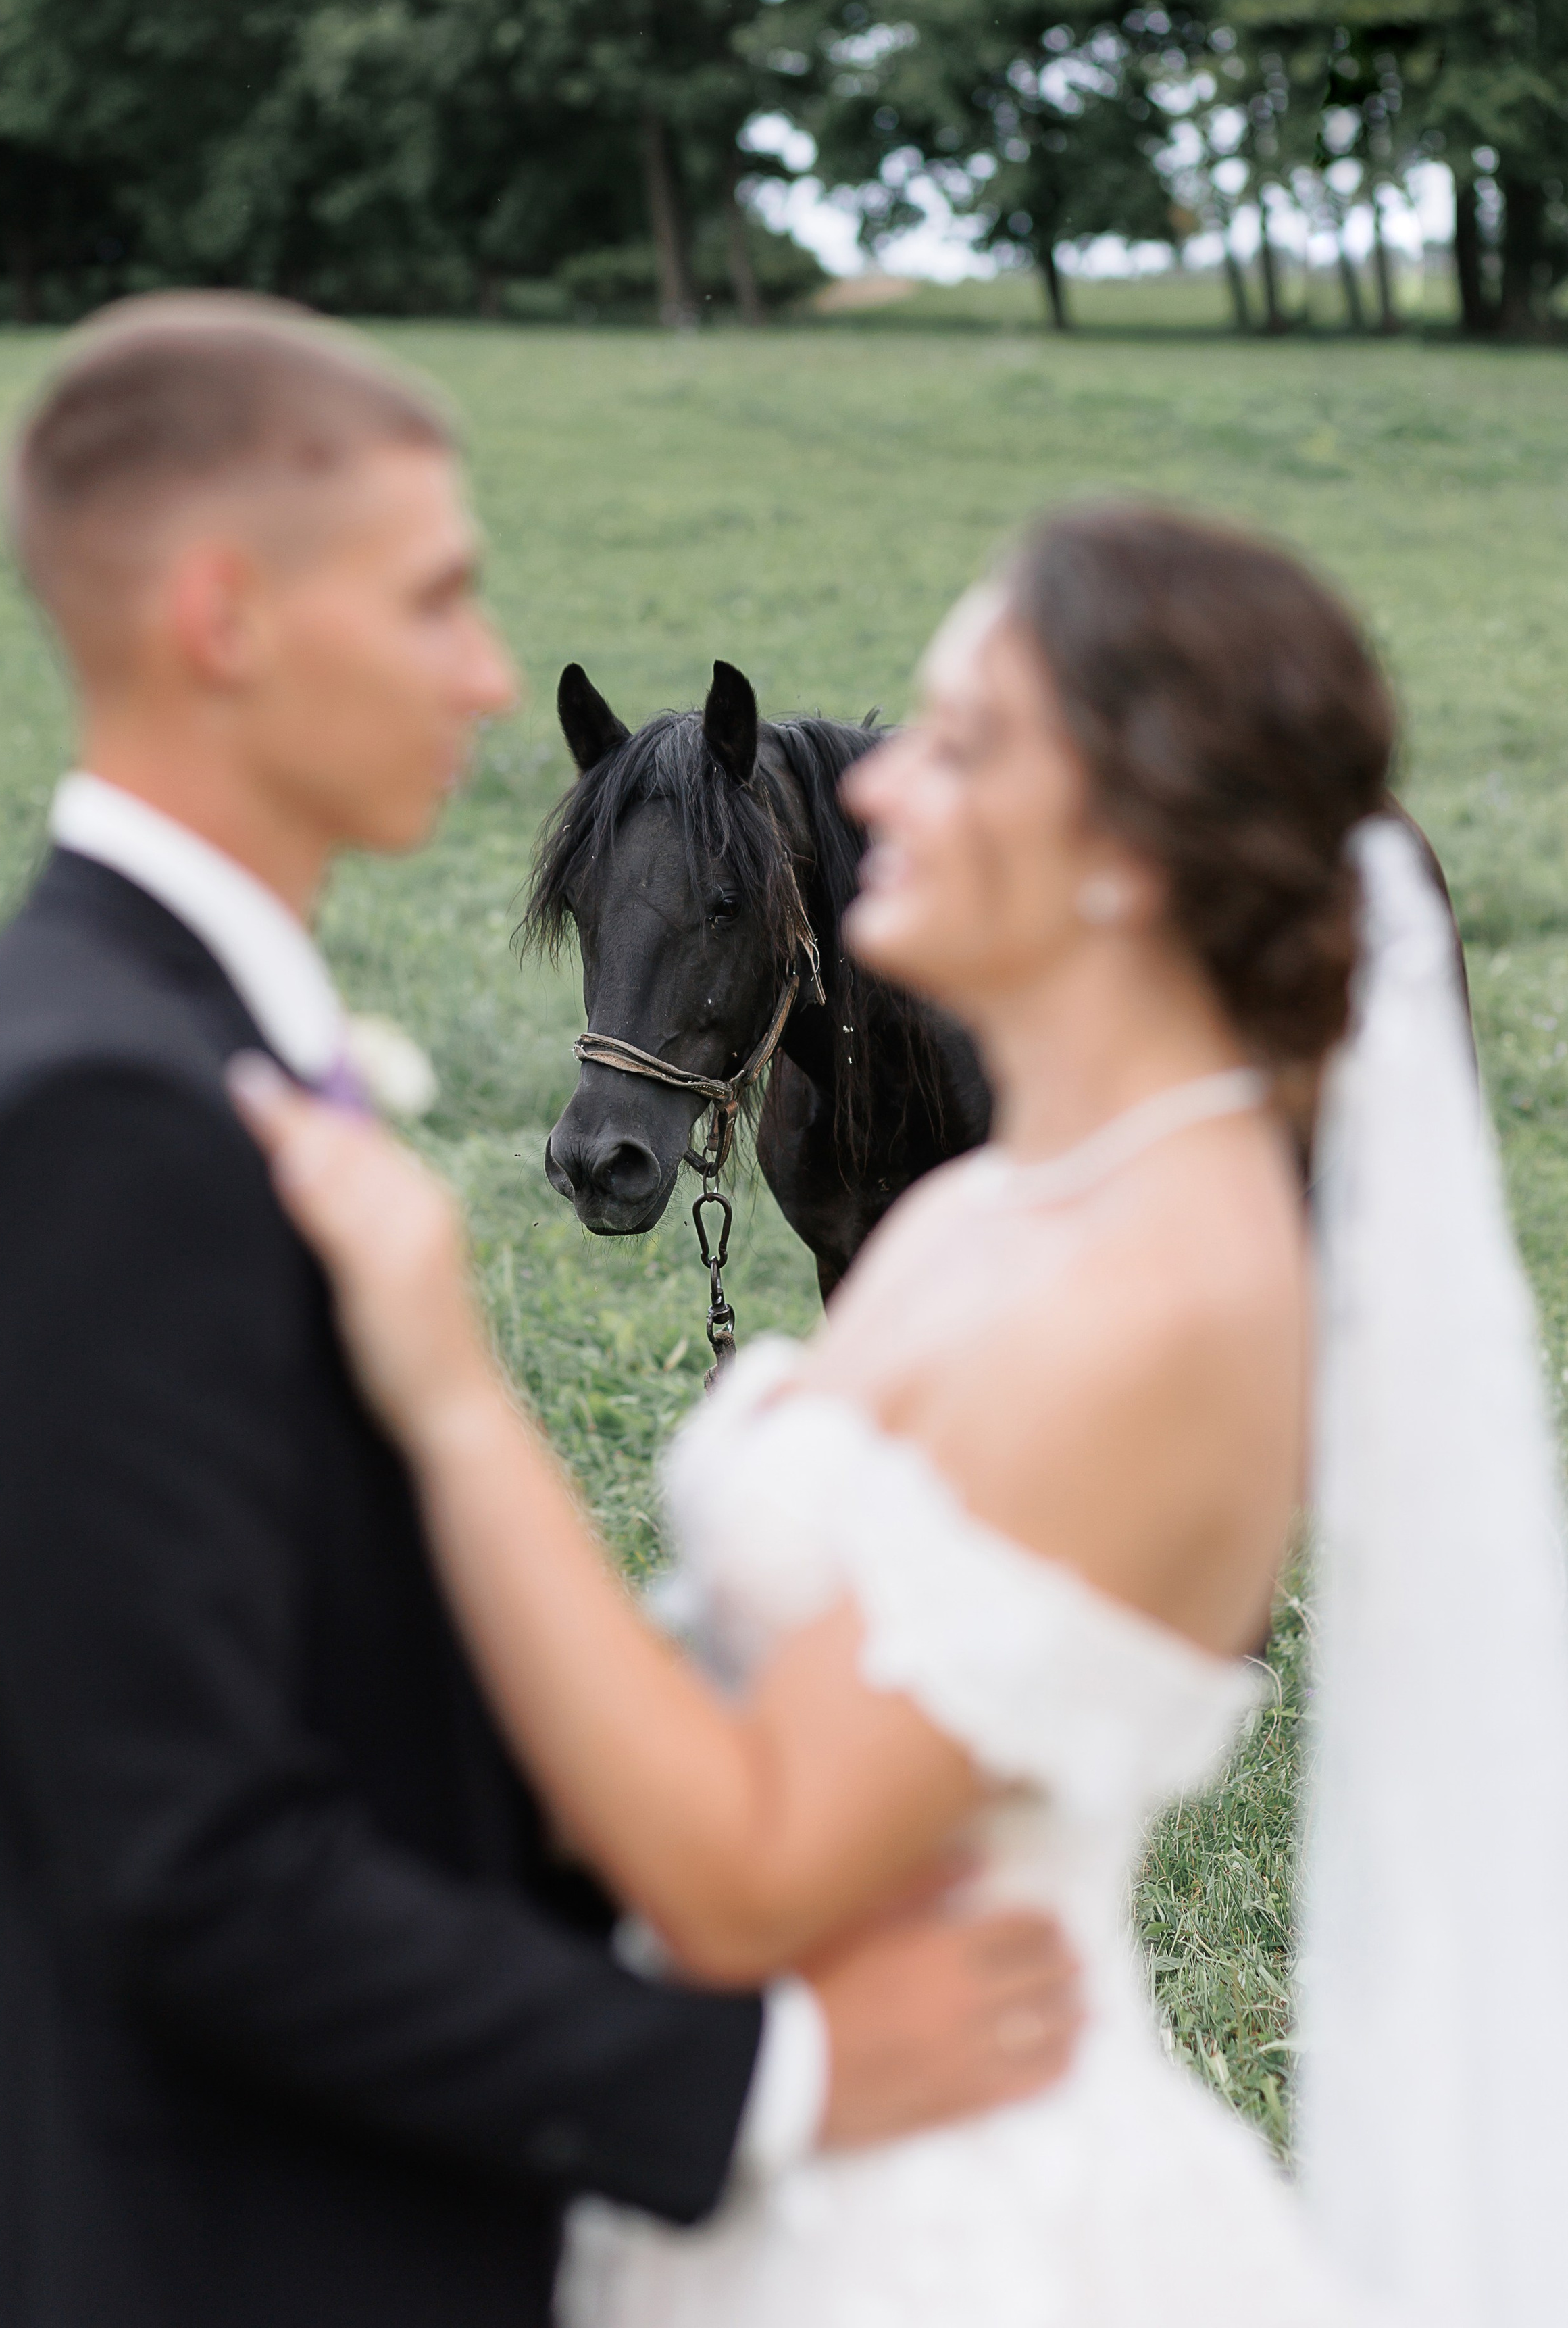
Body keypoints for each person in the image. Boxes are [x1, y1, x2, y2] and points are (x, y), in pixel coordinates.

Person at [0, 293, 1082, 2328]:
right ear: (223, 617)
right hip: (201, 2255)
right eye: (435, 603)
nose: (490, 672)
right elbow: (193, 1869)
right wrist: (776, 2072)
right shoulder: (88, 1108)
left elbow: (322, 1698)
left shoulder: (155, 1036)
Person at [234, 503, 1568, 2328]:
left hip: (948, 2215)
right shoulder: (980, 1211)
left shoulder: (1163, 1305)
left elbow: (753, 1856)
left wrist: (447, 1403)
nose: (864, 788)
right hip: (776, 2130)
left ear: (1128, 845)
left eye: (961, 741)